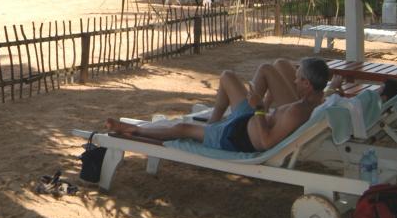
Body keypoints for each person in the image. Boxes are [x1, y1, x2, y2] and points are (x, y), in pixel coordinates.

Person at [105, 57, 330, 152]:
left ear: (307, 84)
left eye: (298, 78)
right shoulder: (314, 102)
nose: (293, 81)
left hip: (237, 136)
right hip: (246, 121)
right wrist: (334, 88)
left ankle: (135, 130)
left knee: (182, 129)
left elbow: (265, 143)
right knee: (227, 76)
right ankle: (213, 122)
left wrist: (260, 108)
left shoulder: (297, 112)